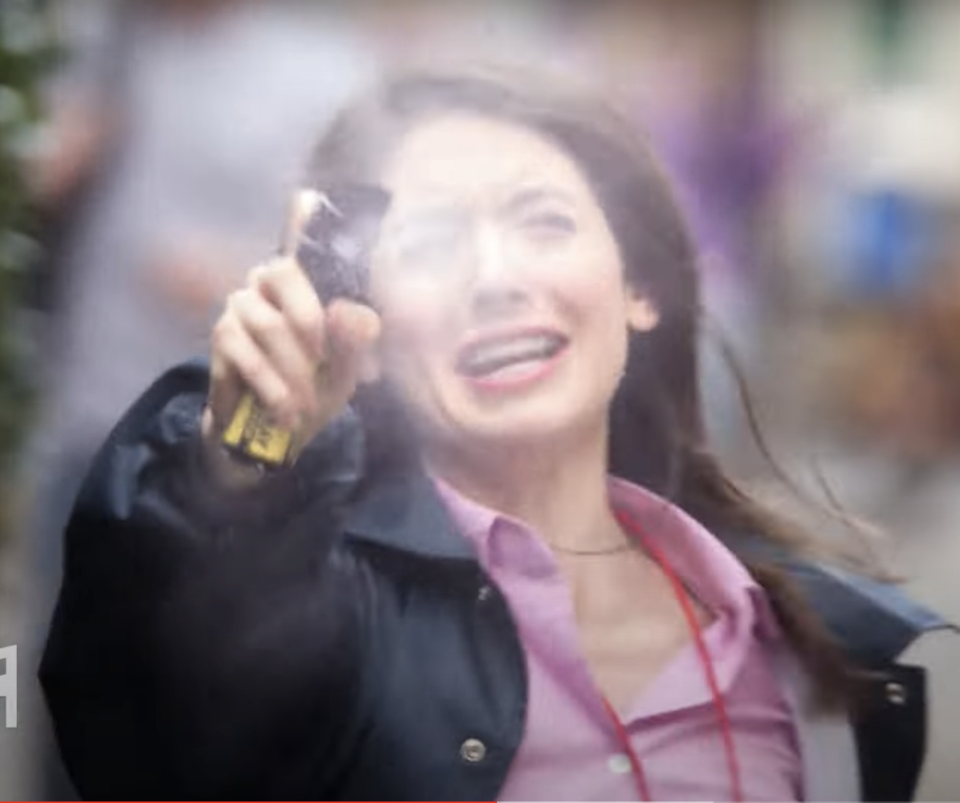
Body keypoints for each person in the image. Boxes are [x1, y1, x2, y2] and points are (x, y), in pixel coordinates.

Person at [39, 64, 948, 801]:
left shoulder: (807, 653)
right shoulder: (320, 618)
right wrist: (237, 470)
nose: (495, 276)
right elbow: (141, 720)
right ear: (369, 330)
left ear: (641, 289)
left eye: (542, 220)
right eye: (430, 242)